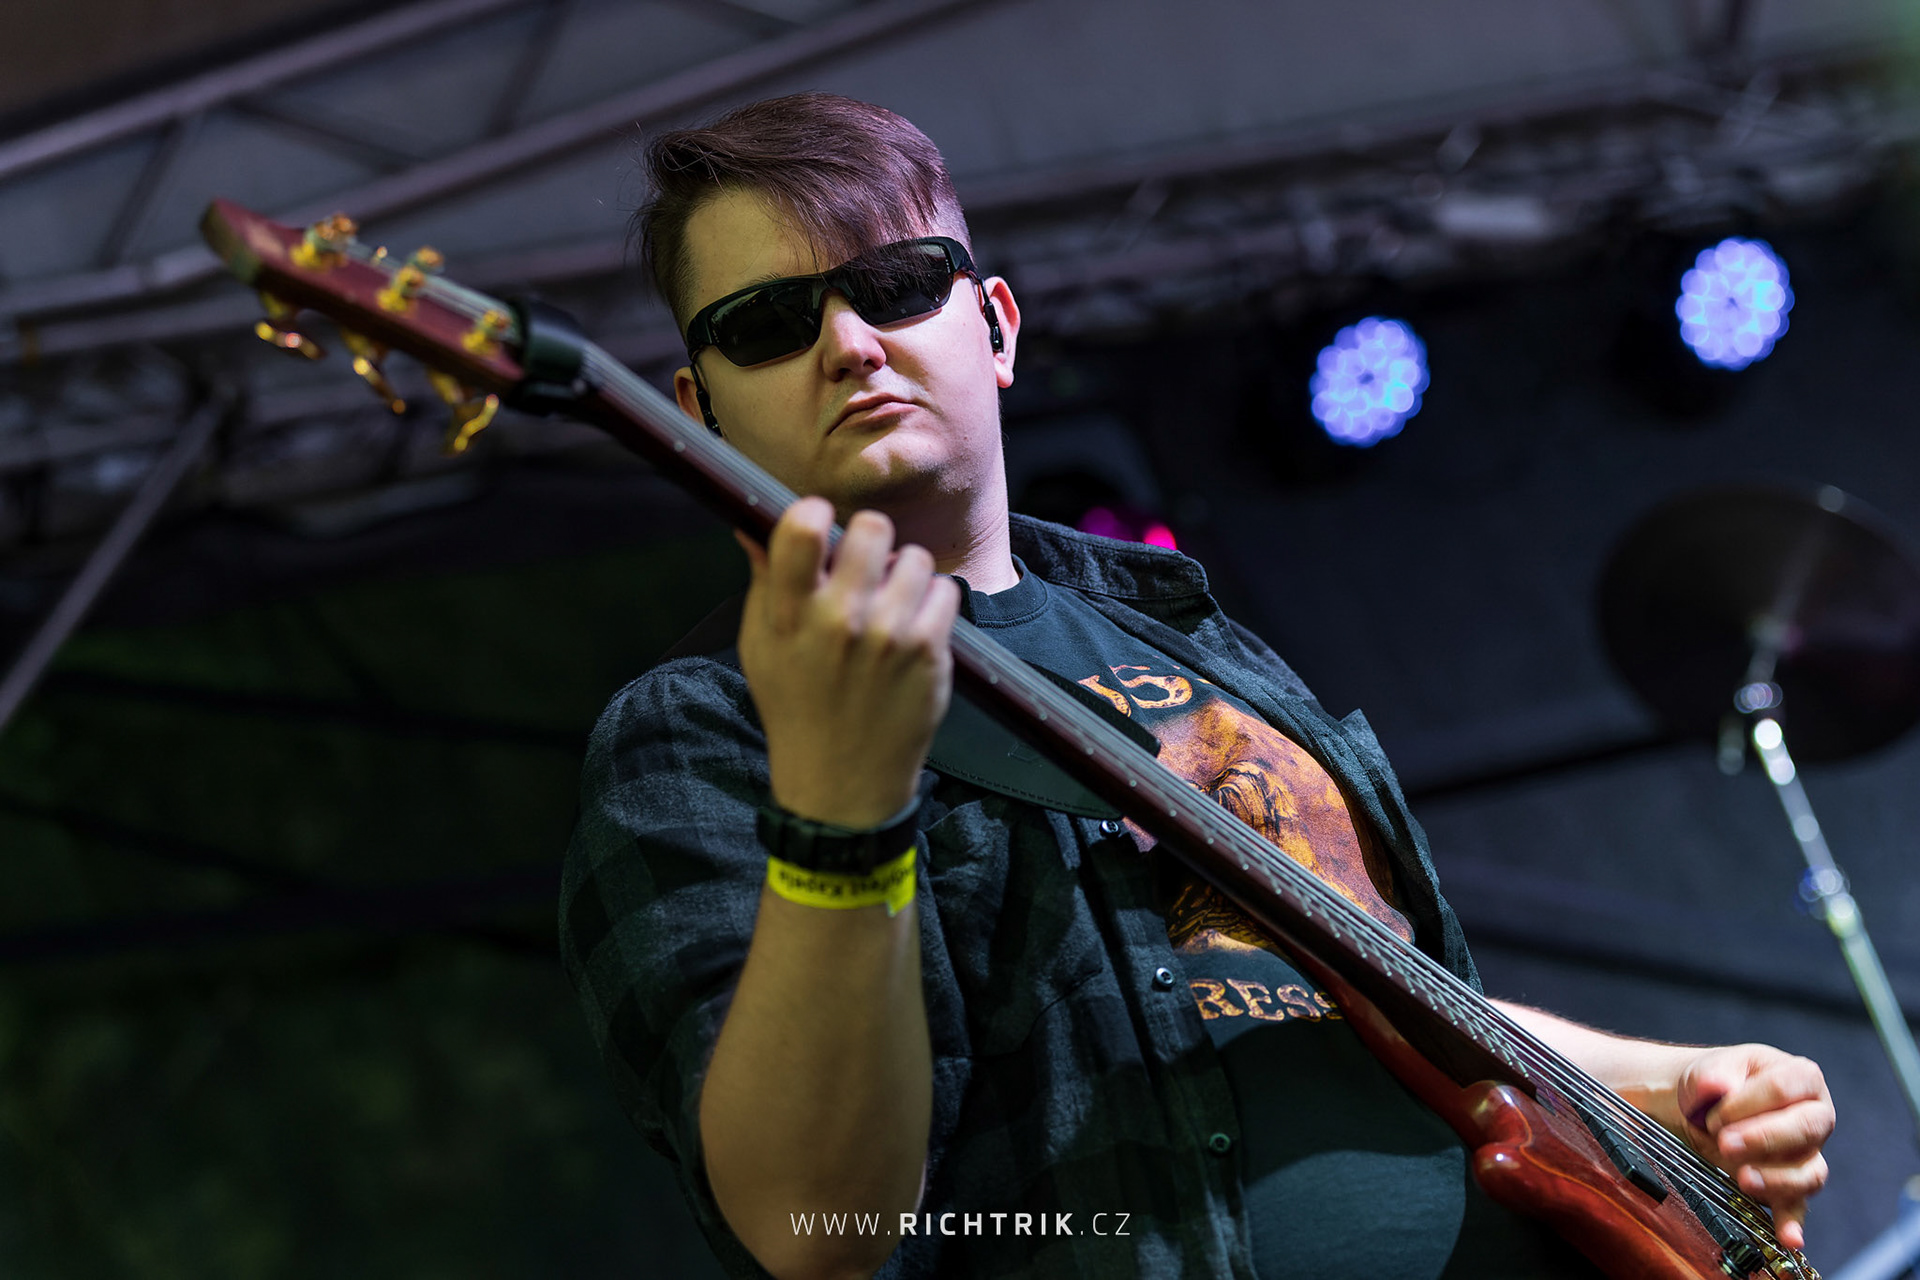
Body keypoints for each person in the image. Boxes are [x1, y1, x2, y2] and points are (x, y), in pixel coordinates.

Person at [559, 92, 1834, 1280]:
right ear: (700, 408)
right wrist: (841, 809)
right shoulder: (701, 727)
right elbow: (811, 1224)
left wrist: (1660, 1086)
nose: (848, 343)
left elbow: (1362, 983)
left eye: (895, 285)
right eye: (768, 323)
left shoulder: (1196, 641)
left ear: (997, 327)